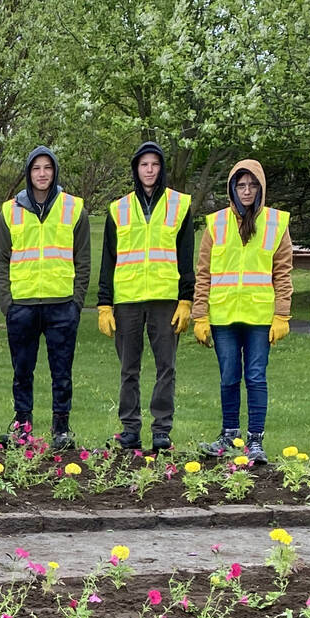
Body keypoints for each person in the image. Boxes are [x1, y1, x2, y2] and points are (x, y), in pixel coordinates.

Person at [192, 159, 293, 463]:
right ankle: (229, 436)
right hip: (223, 317)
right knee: (228, 377)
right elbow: (204, 272)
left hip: (260, 317)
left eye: (252, 185)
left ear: (260, 187)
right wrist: (200, 314)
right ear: (232, 188)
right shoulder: (217, 223)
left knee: (256, 377)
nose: (247, 190)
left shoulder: (276, 224)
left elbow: (283, 272)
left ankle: (255, 441)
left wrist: (282, 314)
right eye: (241, 185)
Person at [97, 142, 194, 455]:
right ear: (136, 170)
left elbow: (186, 256)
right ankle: (130, 429)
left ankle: (162, 430)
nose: (149, 170)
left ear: (161, 168)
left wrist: (186, 300)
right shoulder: (119, 209)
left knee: (167, 367)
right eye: (144, 165)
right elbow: (108, 259)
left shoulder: (179, 205)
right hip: (127, 301)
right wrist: (104, 304)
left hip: (166, 299)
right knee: (129, 369)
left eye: (154, 164)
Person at [0, 146, 89, 451]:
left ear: (55, 171)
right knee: (22, 371)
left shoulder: (74, 208)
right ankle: (22, 427)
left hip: (62, 305)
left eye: (47, 167)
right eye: (36, 168)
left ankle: (61, 428)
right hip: (22, 306)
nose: (42, 173)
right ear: (28, 173)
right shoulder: (10, 211)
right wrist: (7, 303)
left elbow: (83, 260)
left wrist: (76, 302)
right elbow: (0, 261)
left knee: (62, 371)